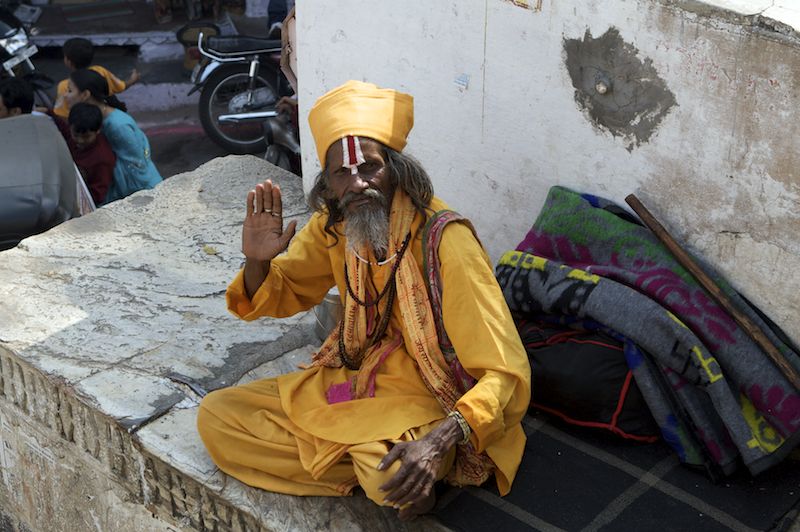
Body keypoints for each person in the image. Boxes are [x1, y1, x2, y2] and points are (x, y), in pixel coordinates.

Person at [197, 80, 531, 520]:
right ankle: (366, 462)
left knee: (382, 476)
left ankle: (390, 465)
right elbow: (287, 290)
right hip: (356, 381)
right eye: (342, 173)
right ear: (329, 184)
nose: (357, 183)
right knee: (217, 417)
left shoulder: (446, 241)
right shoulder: (336, 226)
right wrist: (256, 262)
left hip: (431, 395)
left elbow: (505, 371)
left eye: (369, 167)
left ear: (395, 169)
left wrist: (437, 442)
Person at [64, 69, 162, 203]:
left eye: (69, 91)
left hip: (143, 196)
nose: (65, 96)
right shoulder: (90, 120)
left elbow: (137, 168)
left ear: (85, 94)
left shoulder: (118, 126)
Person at [53, 37, 140, 119]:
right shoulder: (101, 71)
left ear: (68, 61)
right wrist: (132, 80)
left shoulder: (64, 86)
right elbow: (121, 87)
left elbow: (62, 115)